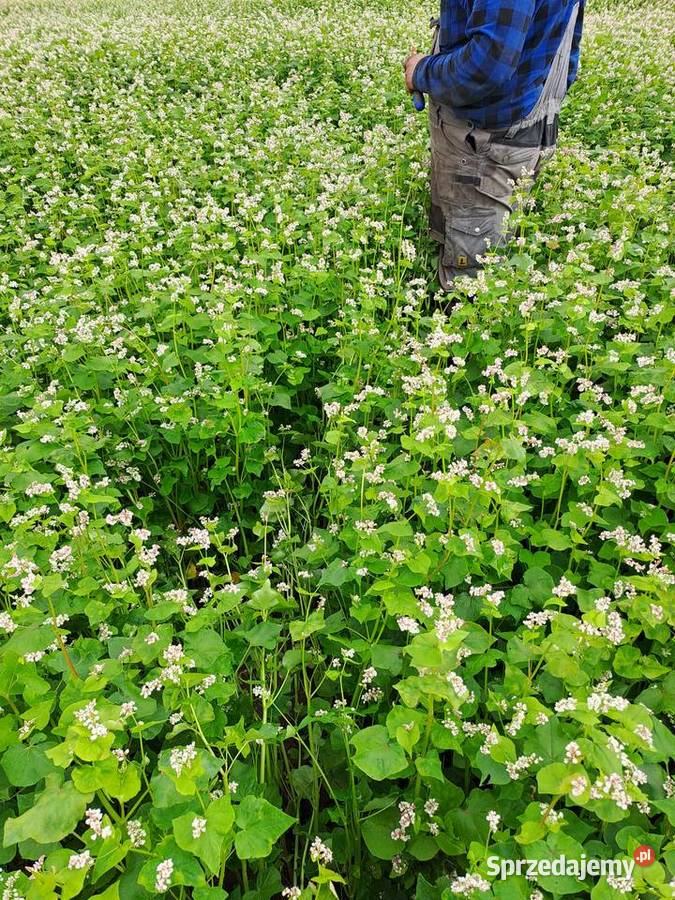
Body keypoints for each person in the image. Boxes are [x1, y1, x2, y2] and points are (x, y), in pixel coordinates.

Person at [404, 0, 585, 290]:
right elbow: (567, 54)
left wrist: (421, 71)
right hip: (519, 133)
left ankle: (461, 328)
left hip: (482, 145)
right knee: (480, 242)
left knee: (469, 286)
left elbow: (486, 65)